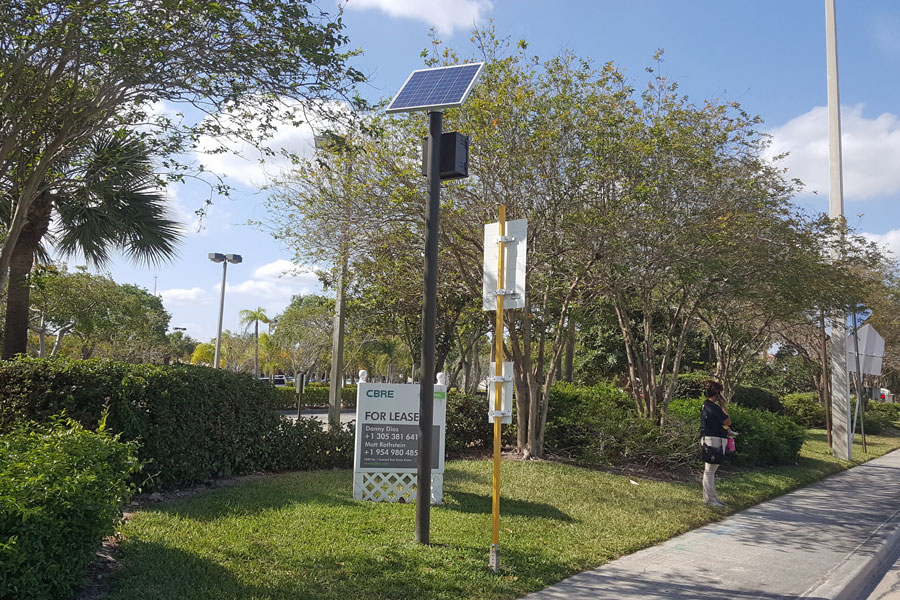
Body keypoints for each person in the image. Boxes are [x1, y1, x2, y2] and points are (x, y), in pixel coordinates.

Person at [700, 380, 731, 507]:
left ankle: (712, 498)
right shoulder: (713, 407)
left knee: (710, 470)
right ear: (717, 394)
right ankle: (710, 500)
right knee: (709, 470)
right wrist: (723, 405)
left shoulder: (706, 405)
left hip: (710, 438)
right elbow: (728, 421)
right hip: (713, 440)